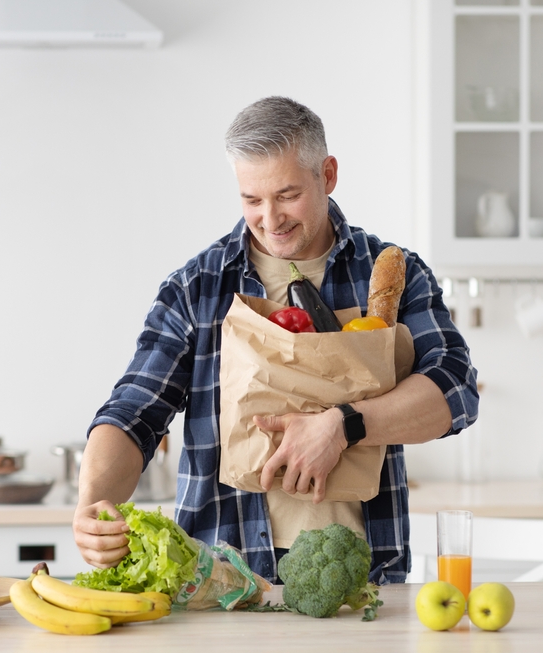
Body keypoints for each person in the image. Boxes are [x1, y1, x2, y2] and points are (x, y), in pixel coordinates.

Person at [72, 96, 478, 585]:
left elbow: (455, 389)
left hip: (362, 583)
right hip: (220, 584)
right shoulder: (199, 286)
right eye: (251, 199)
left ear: (327, 175)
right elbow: (134, 412)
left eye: (287, 194)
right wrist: (92, 502)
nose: (270, 217)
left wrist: (343, 425)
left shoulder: (390, 272)